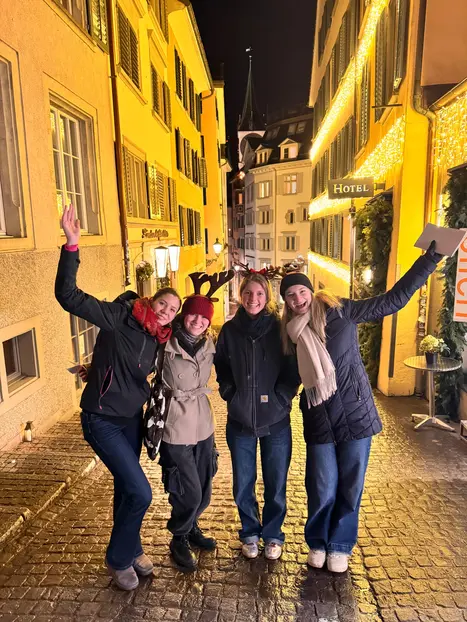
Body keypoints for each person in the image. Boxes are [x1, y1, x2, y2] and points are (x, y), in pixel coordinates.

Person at [280, 242, 444, 573]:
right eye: (290, 296)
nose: (297, 299)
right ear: (286, 302)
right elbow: (285, 375)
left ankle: (340, 545)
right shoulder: (289, 334)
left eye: (301, 291)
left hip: (356, 414)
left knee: (351, 485)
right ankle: (318, 542)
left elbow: (394, 300)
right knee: (321, 486)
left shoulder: (343, 311)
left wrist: (430, 259)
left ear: (311, 291)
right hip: (319, 417)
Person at [55, 205, 181, 591]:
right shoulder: (119, 317)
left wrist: (99, 369)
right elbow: (68, 296)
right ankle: (117, 558)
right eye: (163, 304)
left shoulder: (159, 339)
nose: (166, 312)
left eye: (173, 310)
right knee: (141, 491)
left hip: (131, 420)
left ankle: (132, 547)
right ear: (151, 299)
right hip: (101, 418)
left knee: (126, 488)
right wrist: (72, 245)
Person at [215, 270, 300, 561]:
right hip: (240, 421)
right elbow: (221, 365)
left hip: (275, 421)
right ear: (241, 296)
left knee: (276, 483)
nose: (254, 299)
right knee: (243, 482)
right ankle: (250, 532)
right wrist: (230, 392)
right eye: (248, 293)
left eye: (260, 294)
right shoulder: (230, 331)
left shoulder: (280, 329)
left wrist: (281, 398)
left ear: (268, 297)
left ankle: (273, 534)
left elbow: (293, 370)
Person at [159, 274, 227, 572]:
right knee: (188, 489)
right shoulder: (163, 343)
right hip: (175, 425)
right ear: (183, 315)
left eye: (204, 317)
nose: (198, 321)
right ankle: (178, 536)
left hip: (203, 424)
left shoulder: (210, 345)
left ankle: (191, 527)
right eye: (193, 315)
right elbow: (133, 363)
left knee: (205, 486)